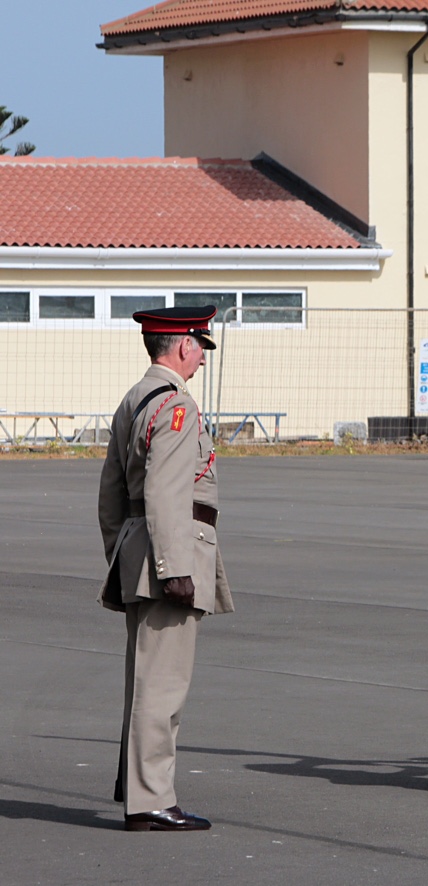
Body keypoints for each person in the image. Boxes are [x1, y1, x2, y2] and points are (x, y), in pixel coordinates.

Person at [98, 305, 233, 832]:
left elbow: (112, 495)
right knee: (163, 685)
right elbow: (167, 491)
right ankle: (151, 798)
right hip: (170, 555)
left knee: (144, 681)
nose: (201, 358)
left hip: (140, 550)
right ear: (181, 345)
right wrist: (175, 567)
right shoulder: (177, 405)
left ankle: (134, 784)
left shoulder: (135, 399)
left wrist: (123, 552)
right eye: (200, 346)